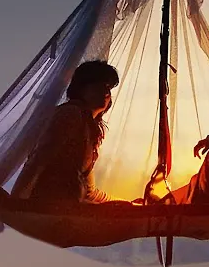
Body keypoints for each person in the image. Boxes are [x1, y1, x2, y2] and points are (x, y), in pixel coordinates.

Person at [13, 60, 133, 205]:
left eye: (108, 87)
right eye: (99, 84)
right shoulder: (70, 114)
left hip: (68, 206)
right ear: (81, 88)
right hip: (49, 206)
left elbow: (89, 191)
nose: (105, 91)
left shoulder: (89, 126)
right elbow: (39, 159)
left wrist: (126, 204)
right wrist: (16, 201)